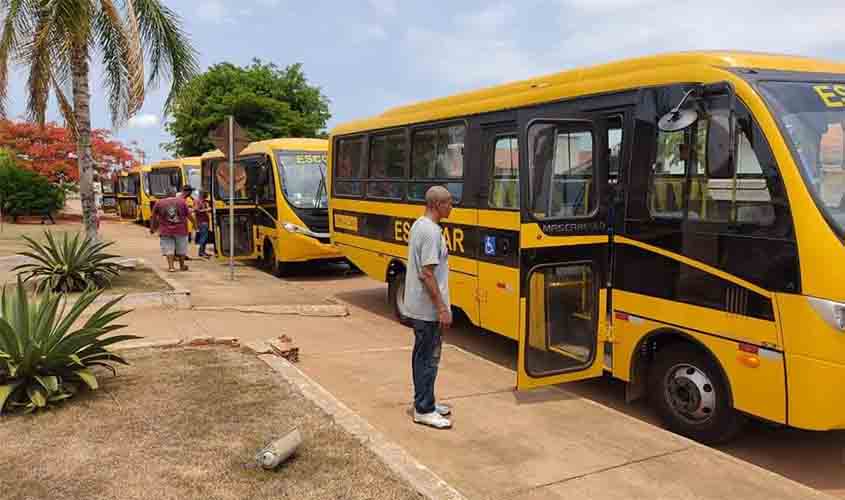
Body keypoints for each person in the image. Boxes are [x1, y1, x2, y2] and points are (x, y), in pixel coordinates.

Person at [404, 185, 454, 429]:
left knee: (422, 355)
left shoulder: (419, 225)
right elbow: (427, 274)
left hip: (421, 307)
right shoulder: (431, 232)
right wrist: (442, 308)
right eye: (449, 203)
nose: (452, 207)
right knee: (428, 358)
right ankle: (423, 409)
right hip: (428, 310)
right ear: (436, 205)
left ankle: (426, 401)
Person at [150, 186, 196, 272]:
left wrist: (152, 228)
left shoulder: (159, 203)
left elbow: (153, 217)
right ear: (174, 193)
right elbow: (189, 215)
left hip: (165, 231)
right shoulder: (182, 202)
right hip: (181, 230)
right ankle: (182, 266)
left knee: (169, 249)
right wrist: (195, 224)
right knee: (181, 248)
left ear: (165, 193)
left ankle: (171, 267)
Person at [194, 190, 212, 258]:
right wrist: (207, 210)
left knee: (205, 237)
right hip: (202, 222)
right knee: (203, 237)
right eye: (206, 194)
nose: (207, 195)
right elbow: (196, 210)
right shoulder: (198, 201)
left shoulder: (204, 201)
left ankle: (203, 252)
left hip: (205, 221)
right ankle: (201, 252)